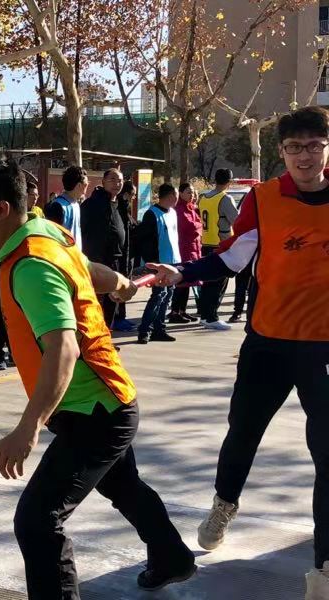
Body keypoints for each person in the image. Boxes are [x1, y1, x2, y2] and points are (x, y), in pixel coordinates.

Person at [0, 152, 195, 599]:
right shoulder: (43, 231)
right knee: (123, 486)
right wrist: (120, 281)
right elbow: (86, 271)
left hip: (95, 412)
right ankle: (172, 558)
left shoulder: (30, 265)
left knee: (37, 521)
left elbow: (62, 350)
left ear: (1, 209)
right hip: (104, 400)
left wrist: (27, 427)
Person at [149, 106, 329, 600]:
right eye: (294, 148)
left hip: (324, 349)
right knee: (243, 432)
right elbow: (231, 258)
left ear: (327, 148)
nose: (305, 156)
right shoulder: (264, 199)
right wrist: (182, 273)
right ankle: (224, 503)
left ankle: (324, 566)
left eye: (314, 146)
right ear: (281, 152)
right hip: (268, 343)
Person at [132, 184, 180, 344]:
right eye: (176, 195)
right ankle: (144, 330)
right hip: (159, 263)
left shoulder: (173, 213)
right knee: (158, 296)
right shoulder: (152, 214)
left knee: (167, 297)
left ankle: (159, 329)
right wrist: (153, 264)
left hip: (173, 262)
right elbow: (145, 242)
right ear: (171, 195)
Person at [81, 168, 127, 331]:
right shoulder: (91, 205)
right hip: (97, 262)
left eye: (120, 180)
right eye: (112, 180)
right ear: (103, 182)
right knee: (96, 305)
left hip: (116, 260)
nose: (117, 184)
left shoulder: (119, 204)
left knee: (112, 303)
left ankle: (106, 336)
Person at [197, 168, 239, 331]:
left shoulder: (203, 197)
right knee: (219, 283)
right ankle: (211, 317)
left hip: (205, 243)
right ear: (229, 182)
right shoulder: (225, 198)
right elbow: (236, 221)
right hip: (221, 245)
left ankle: (205, 315)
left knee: (207, 282)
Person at [169, 182, 202, 323]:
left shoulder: (191, 207)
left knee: (188, 281)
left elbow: (197, 225)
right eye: (188, 192)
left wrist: (198, 225)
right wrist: (199, 225)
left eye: (193, 192)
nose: (192, 195)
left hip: (193, 248)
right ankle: (174, 311)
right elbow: (190, 227)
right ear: (181, 193)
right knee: (181, 282)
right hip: (184, 249)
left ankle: (182, 310)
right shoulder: (179, 209)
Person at [113, 181, 138, 332]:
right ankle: (117, 318)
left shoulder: (125, 209)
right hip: (121, 255)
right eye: (132, 195)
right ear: (126, 194)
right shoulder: (119, 208)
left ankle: (121, 316)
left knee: (125, 286)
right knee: (119, 287)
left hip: (128, 255)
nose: (133, 198)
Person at [44, 166, 88, 248]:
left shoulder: (76, 204)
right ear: (79, 185)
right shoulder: (58, 206)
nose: (86, 191)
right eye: (85, 185)